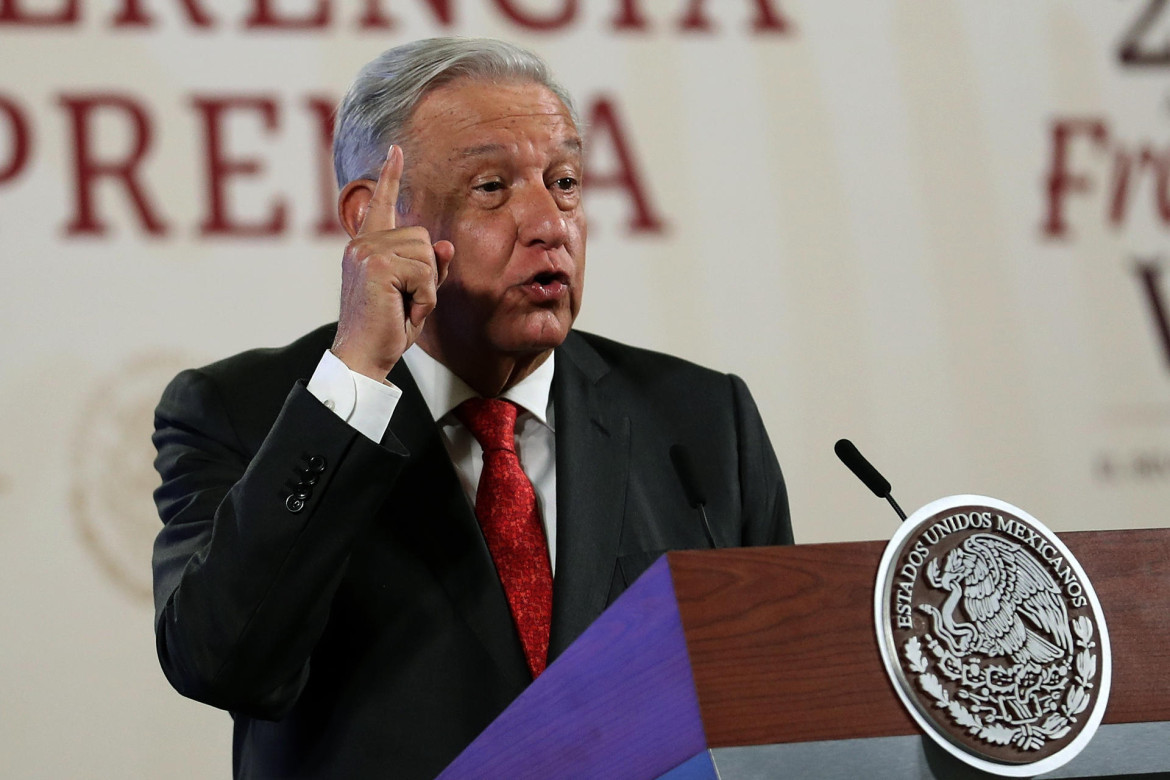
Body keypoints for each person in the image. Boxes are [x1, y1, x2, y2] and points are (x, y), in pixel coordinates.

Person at [151, 37, 793, 780]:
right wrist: (356, 378)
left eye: (565, 182)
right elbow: (221, 661)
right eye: (491, 187)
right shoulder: (243, 413)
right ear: (374, 219)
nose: (548, 222)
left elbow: (770, 714)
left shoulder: (702, 420)